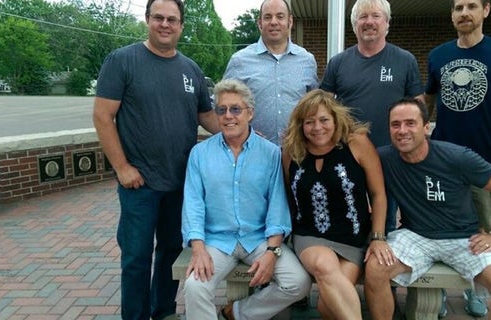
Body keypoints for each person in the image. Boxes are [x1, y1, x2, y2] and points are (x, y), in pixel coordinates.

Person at [92, 0, 219, 319]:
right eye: (159, 18)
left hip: (180, 184)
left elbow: (208, 117)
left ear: (181, 26)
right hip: (140, 184)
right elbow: (103, 116)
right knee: (135, 257)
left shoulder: (191, 69)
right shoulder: (122, 61)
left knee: (170, 252)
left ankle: (162, 311)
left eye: (172, 19)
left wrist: (245, 135)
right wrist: (122, 168)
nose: (165, 24)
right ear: (147, 20)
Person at [364, 97, 491, 320]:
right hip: (415, 235)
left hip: (464, 238)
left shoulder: (457, 157)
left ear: (426, 127)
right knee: (375, 269)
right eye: (395, 124)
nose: (402, 130)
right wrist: (377, 237)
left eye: (411, 123)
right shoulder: (384, 158)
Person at [422, 0, 491, 315]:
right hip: (441, 160)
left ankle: (473, 291)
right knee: (437, 225)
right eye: (457, 7)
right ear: (452, 15)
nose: (464, 13)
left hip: (482, 160)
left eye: (471, 6)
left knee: (480, 229)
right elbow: (427, 101)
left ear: (486, 10)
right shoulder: (439, 56)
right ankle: (438, 291)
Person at [181, 79, 311, 320]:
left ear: (250, 113)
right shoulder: (199, 154)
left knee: (298, 282)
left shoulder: (271, 153)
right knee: (195, 287)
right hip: (216, 241)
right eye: (222, 110)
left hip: (258, 238)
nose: (228, 116)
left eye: (236, 109)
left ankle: (238, 313)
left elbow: (277, 204)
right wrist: (197, 248)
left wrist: (272, 250)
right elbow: (193, 203)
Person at [320, 0, 423, 242]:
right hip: (348, 158)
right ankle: (350, 271)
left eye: (376, 16)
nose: (369, 22)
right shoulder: (338, 63)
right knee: (347, 217)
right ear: (354, 24)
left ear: (387, 23)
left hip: (392, 158)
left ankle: (380, 274)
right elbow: (322, 108)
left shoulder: (404, 60)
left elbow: (418, 108)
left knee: (384, 220)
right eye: (362, 17)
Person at [281, 89, 388, 319]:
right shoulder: (292, 150)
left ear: (335, 118)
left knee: (327, 308)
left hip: (353, 238)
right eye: (309, 122)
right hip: (310, 235)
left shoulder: (357, 143)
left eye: (323, 120)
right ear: (300, 125)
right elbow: (289, 196)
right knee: (322, 264)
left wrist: (378, 237)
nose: (317, 127)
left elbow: (378, 194)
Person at [224, 0, 318, 145]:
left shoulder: (307, 61)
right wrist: (244, 132)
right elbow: (224, 107)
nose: (274, 22)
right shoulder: (239, 61)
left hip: (298, 151)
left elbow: (314, 107)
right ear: (259, 23)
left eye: (280, 16)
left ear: (290, 21)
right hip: (253, 151)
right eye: (268, 17)